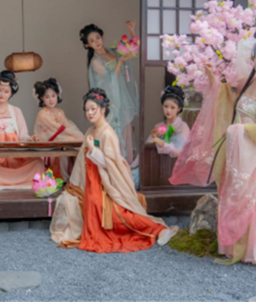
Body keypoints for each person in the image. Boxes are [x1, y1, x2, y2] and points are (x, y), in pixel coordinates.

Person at [170, 29, 256, 274]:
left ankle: (255, 249)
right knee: (231, 196)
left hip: (254, 154)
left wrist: (241, 129)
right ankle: (232, 247)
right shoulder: (248, 83)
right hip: (237, 151)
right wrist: (211, 76)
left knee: (253, 201)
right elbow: (225, 95)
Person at [50, 88, 178, 253]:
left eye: (93, 109)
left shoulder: (108, 133)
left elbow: (110, 163)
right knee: (85, 205)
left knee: (118, 215)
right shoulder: (90, 131)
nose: (90, 113)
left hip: (106, 181)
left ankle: (157, 229)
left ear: (103, 109)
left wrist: (93, 150)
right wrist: (75, 183)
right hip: (91, 179)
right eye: (87, 109)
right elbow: (82, 161)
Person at [0, 70, 45, 190]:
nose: (2, 94)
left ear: (11, 94)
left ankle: (4, 181)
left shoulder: (16, 111)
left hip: (15, 156)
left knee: (38, 163)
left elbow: (23, 135)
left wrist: (30, 138)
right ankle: (9, 180)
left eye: (6, 91)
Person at [79, 22, 139, 164]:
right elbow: (110, 78)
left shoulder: (113, 51)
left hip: (122, 98)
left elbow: (131, 52)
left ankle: (126, 167)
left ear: (102, 36)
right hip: (110, 102)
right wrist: (120, 62)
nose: (96, 42)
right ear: (88, 45)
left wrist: (132, 32)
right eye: (92, 40)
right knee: (114, 132)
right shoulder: (95, 61)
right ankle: (115, 166)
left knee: (126, 130)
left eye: (97, 37)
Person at [33, 78, 84, 180]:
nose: (51, 99)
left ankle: (81, 176)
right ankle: (68, 177)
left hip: (61, 140)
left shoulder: (60, 111)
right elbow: (56, 130)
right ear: (42, 98)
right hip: (49, 143)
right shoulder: (42, 114)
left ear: (57, 95)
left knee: (80, 142)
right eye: (47, 97)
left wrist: (76, 135)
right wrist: (74, 136)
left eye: (53, 95)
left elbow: (67, 126)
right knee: (76, 141)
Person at [146, 85, 190, 158]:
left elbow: (179, 152)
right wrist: (154, 138)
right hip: (157, 163)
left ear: (179, 108)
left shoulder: (183, 127)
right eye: (166, 106)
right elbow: (146, 149)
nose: (168, 110)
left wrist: (161, 143)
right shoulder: (158, 126)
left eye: (172, 107)